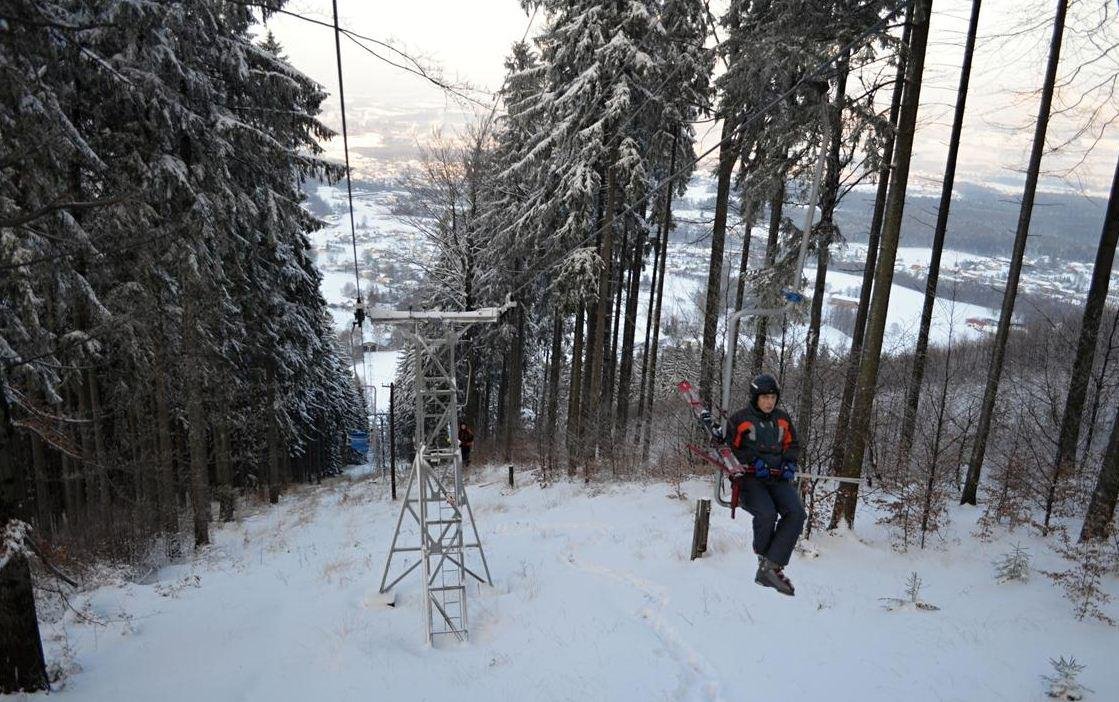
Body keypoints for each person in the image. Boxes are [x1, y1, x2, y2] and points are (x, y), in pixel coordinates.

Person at [727, 373, 806, 596]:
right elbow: (731, 450)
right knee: (766, 513)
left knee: (797, 513)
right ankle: (764, 558)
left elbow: (793, 444)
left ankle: (771, 566)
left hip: (778, 476)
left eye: (772, 397)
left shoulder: (782, 418)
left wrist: (790, 462)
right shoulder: (740, 419)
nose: (769, 402)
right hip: (751, 479)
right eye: (764, 397)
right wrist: (751, 461)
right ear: (755, 398)